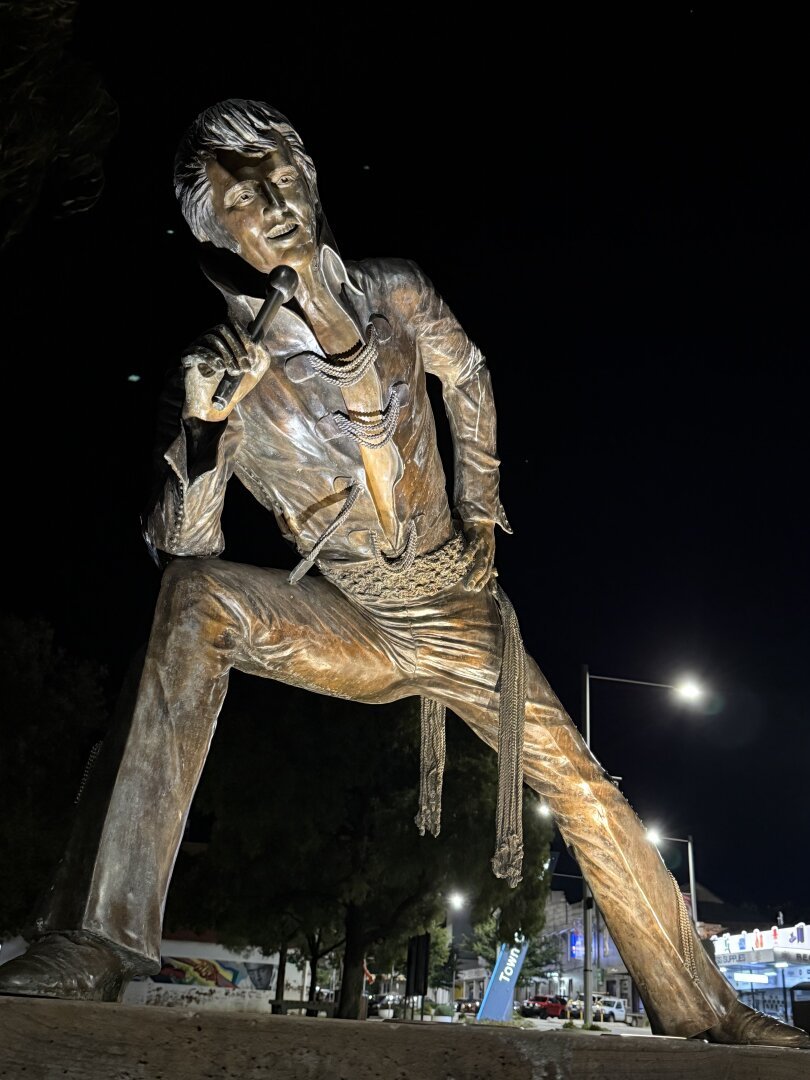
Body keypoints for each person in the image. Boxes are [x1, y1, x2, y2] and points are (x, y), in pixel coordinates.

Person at [0, 99, 806, 1050]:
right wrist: (207, 426)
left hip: (460, 608)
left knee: (584, 787)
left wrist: (481, 510)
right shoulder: (228, 372)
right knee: (192, 604)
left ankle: (706, 1007)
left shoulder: (397, 294)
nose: (273, 202)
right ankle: (100, 935)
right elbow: (185, 550)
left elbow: (468, 378)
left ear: (309, 172)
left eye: (279, 173)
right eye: (243, 199)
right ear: (218, 233)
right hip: (356, 619)